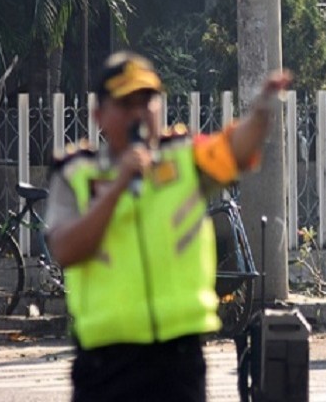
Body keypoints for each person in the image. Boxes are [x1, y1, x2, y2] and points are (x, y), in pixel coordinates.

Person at [44, 51, 291, 402]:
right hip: (106, 361)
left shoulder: (184, 157)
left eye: (147, 99)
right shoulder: (76, 174)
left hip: (178, 358)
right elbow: (65, 249)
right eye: (126, 102)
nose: (138, 112)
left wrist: (263, 109)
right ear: (99, 114)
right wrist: (118, 185)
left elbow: (236, 150)